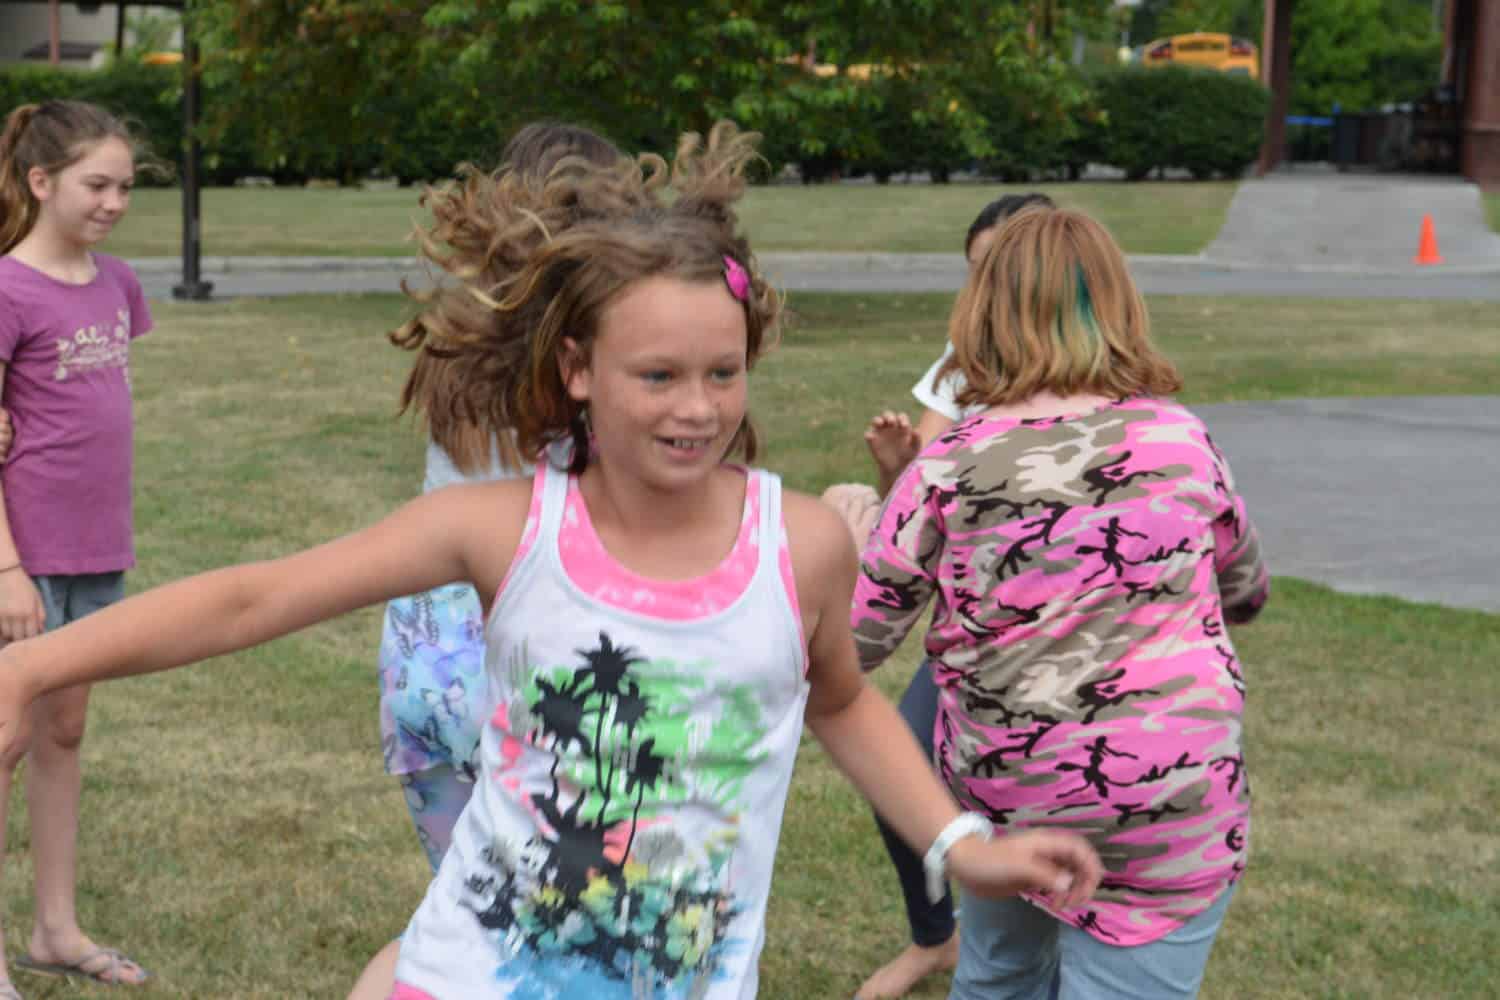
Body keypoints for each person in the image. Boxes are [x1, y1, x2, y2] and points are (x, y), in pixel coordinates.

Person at [0, 122, 1103, 999]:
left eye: (723, 373)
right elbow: (253, 599)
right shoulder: (501, 528)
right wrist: (32, 666)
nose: (698, 407)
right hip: (475, 973)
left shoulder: (801, 540)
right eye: (657, 375)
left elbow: (844, 702)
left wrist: (960, 844)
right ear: (578, 368)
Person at [851, 205, 1269, 1000]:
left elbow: (857, 641)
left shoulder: (946, 466)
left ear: (983, 312)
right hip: (1171, 804)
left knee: (998, 974)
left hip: (1009, 798)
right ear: (1118, 305)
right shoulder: (1182, 440)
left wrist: (847, 542)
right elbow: (1246, 588)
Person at [348, 121, 624, 1000]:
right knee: (558, 936)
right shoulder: (593, 351)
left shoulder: (460, 337)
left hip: (427, 669)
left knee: (465, 920)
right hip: (531, 671)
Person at [821, 192, 1056, 1000]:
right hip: (975, 633)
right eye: (976, 270)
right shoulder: (963, 362)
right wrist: (894, 470)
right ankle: (937, 938)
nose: (986, 287)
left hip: (1067, 641)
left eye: (1003, 267)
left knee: (1050, 798)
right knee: (904, 767)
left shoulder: (1097, 368)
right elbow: (917, 507)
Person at [0, 100, 154, 995]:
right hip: (22, 562)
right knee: (4, 741)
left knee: (64, 731)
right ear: (40, 181)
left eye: (126, 187)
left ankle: (54, 929)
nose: (114, 203)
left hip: (96, 552)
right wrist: (7, 569)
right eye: (97, 184)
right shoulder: (6, 289)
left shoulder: (117, 283)